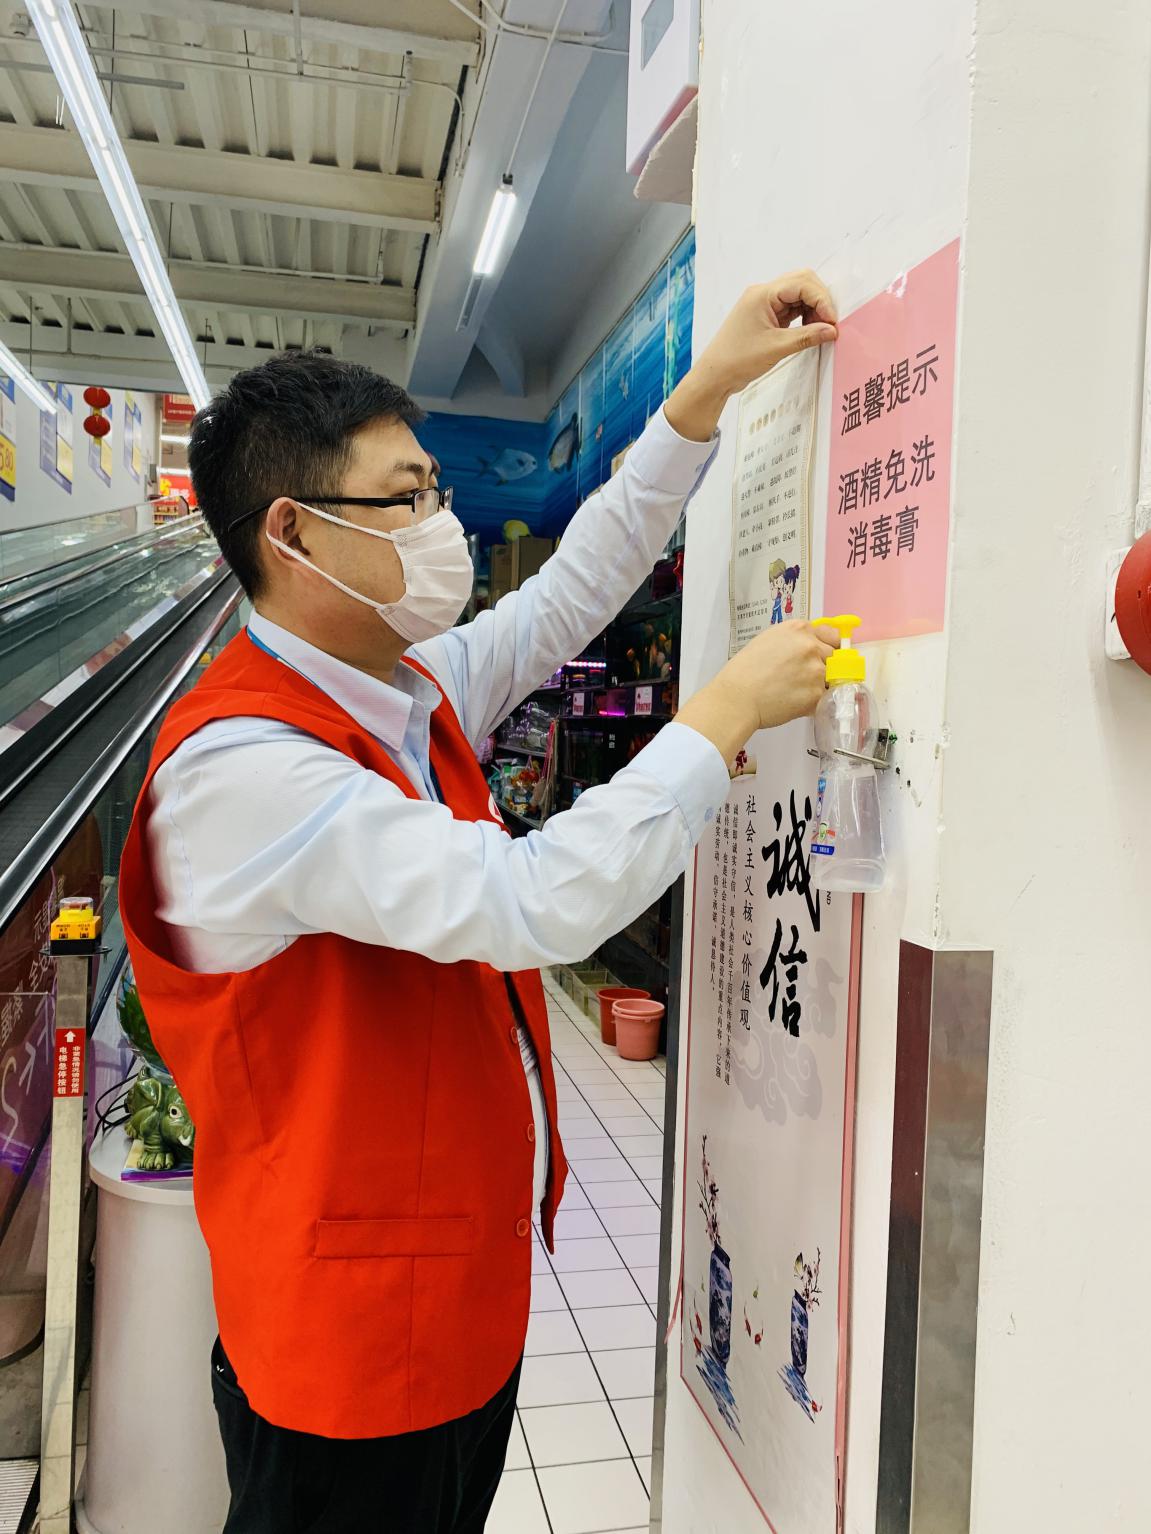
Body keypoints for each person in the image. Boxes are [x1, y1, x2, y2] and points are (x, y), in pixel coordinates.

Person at [118, 271, 839, 1533]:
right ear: (292, 534)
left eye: (435, 492)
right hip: (346, 1351)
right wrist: (715, 715)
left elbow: (565, 598)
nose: (438, 524)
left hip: (447, 1308)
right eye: (404, 498)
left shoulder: (395, 688)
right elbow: (529, 901)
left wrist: (702, 393)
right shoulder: (242, 768)